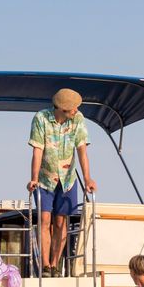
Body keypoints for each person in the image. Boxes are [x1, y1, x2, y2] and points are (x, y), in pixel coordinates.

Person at [27, 88, 96, 274]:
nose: (76, 111)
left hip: (67, 179)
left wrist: (88, 178)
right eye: (73, 108)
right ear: (62, 108)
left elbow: (82, 150)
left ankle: (55, 263)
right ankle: (45, 265)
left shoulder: (78, 119)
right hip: (45, 179)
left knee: (60, 222)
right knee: (44, 220)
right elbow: (37, 150)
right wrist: (33, 178)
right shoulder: (41, 118)